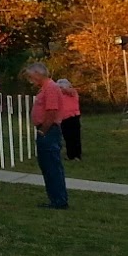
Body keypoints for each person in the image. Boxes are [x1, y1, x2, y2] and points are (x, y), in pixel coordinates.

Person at [24, 61, 69, 209]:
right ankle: (55, 198)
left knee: (51, 166)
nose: (31, 80)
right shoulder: (45, 88)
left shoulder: (50, 87)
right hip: (46, 130)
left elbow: (51, 111)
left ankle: (59, 200)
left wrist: (43, 130)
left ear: (38, 73)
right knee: (47, 166)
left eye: (31, 76)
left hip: (49, 130)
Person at [56, 77, 83, 160]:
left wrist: (63, 88)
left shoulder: (72, 92)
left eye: (61, 87)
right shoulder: (59, 95)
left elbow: (68, 91)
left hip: (73, 117)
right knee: (67, 137)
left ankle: (77, 155)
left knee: (75, 136)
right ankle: (70, 154)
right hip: (64, 118)